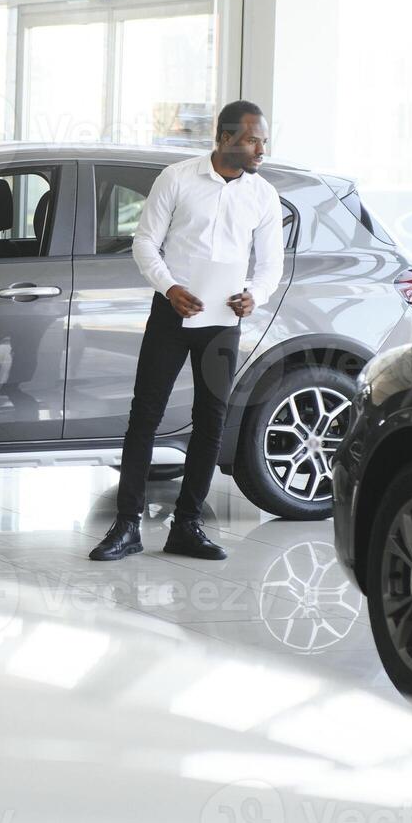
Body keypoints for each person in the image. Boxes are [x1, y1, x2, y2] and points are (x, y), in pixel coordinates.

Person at [89, 101, 284, 562]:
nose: (262, 149)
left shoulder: (263, 195)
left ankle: (188, 526)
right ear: (225, 139)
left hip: (223, 320)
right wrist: (170, 288)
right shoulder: (177, 178)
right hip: (172, 313)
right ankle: (127, 526)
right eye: (254, 139)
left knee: (211, 420)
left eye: (264, 140)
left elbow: (270, 264)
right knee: (146, 415)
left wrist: (255, 294)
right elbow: (145, 242)